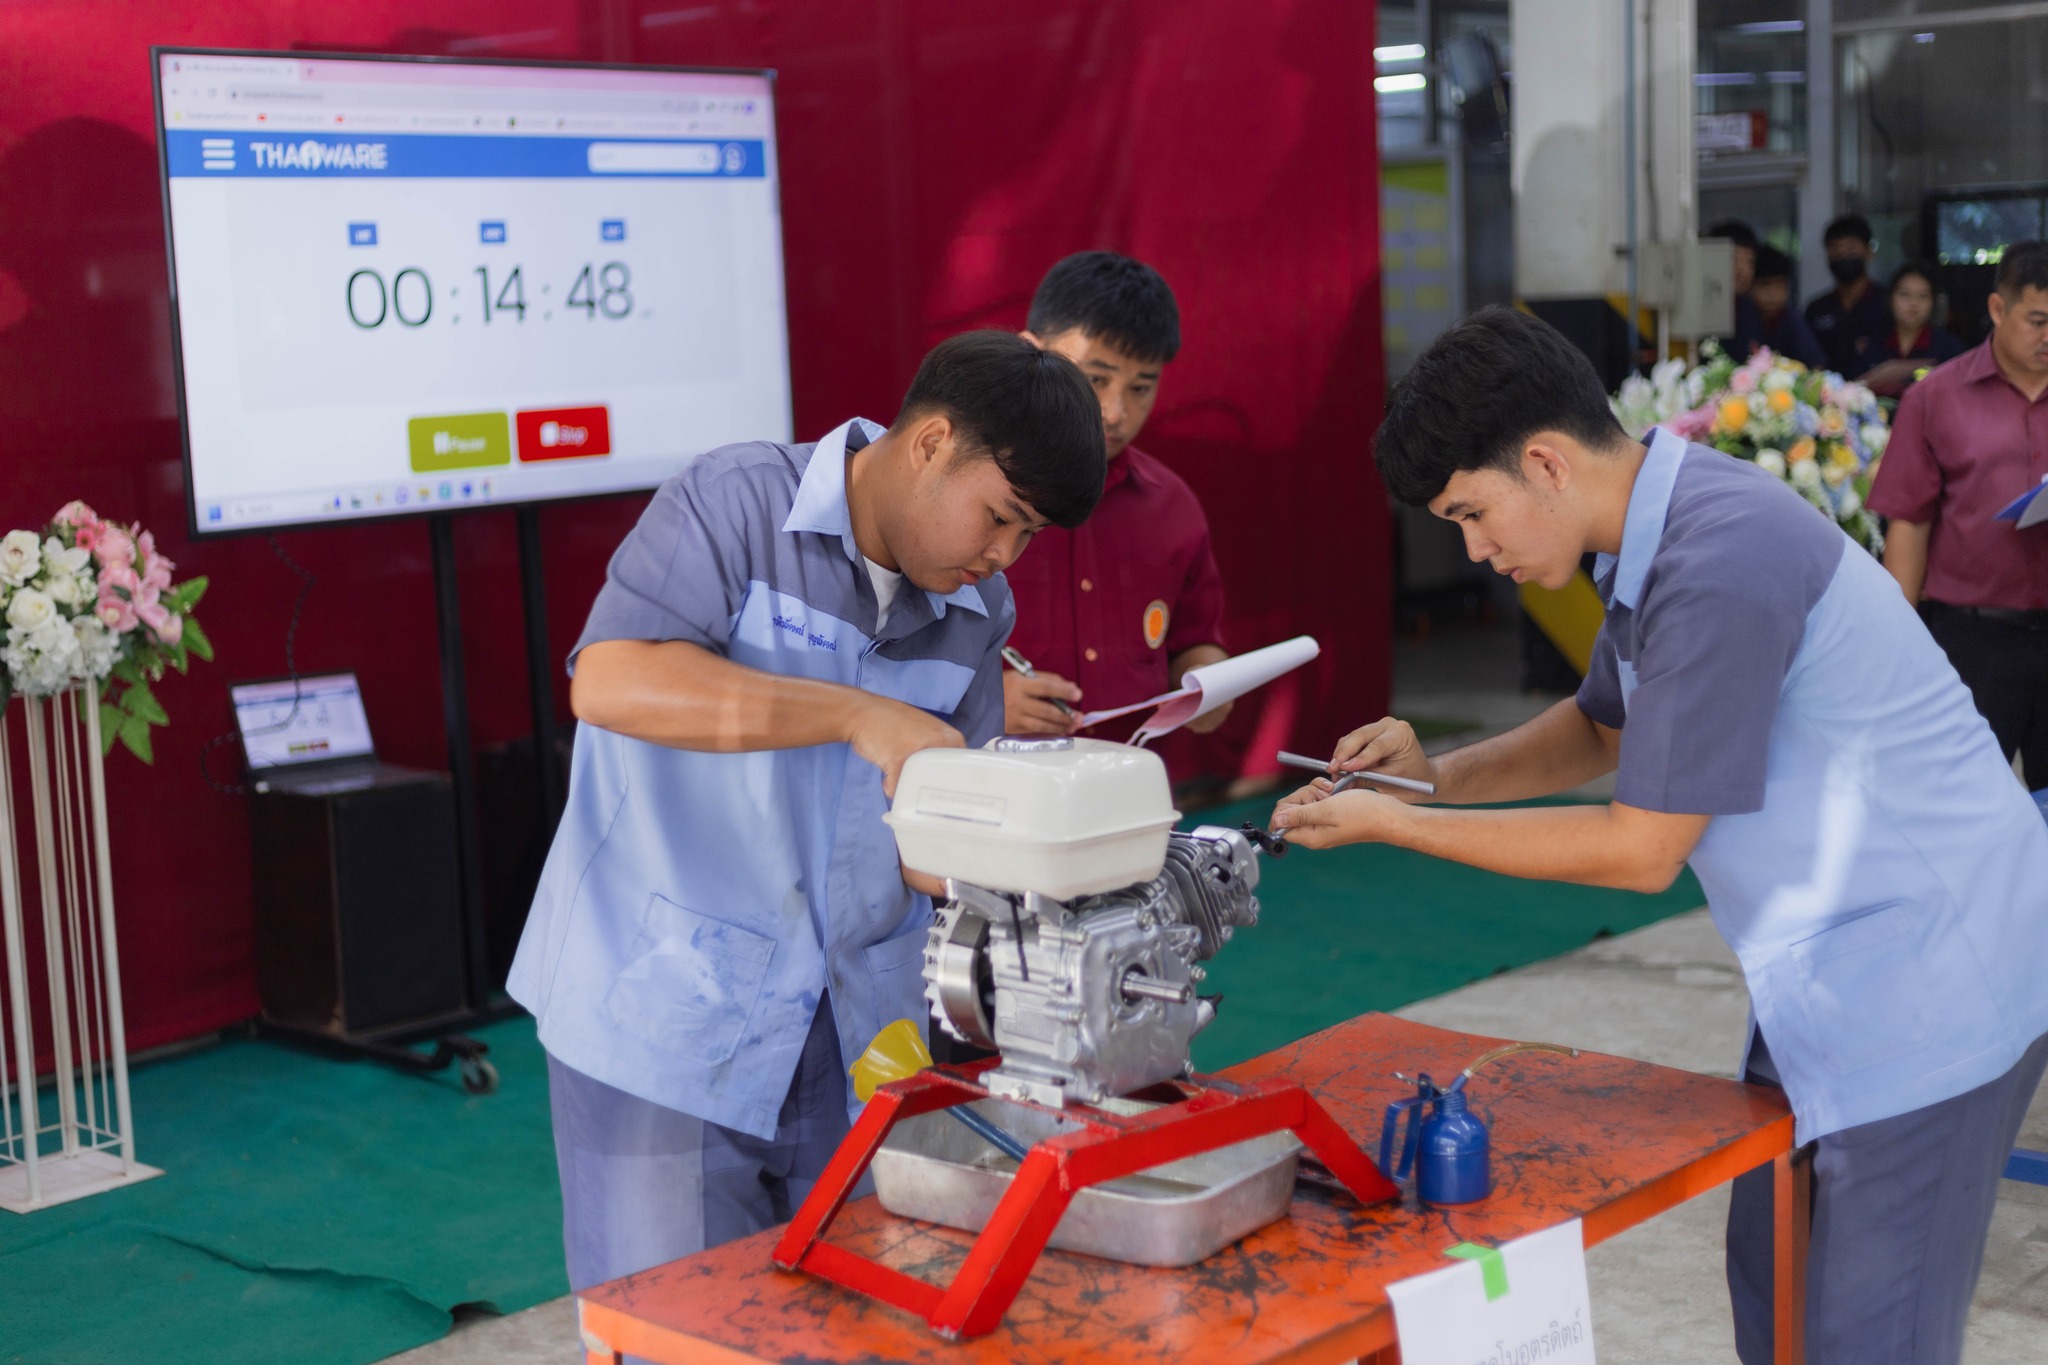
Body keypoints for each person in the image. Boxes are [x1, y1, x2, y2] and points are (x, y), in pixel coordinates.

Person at [1273, 305, 2048, 1365]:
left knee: (1869, 1336)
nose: (1474, 549)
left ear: (1542, 461)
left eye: (1470, 513)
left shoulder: (1715, 558)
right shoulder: (1650, 524)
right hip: (1827, 971)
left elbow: (1641, 850)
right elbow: (1600, 724)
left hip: (1928, 983)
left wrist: (1396, 833)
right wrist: (1430, 779)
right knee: (1770, 1294)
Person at [507, 331, 1104, 1295]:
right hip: (667, 1013)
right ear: (929, 443)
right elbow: (612, 680)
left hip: (856, 1028)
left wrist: (1053, 862)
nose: (1004, 556)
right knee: (679, 1329)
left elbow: (934, 844)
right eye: (999, 516)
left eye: (1028, 536)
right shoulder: (736, 504)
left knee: (851, 1317)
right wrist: (857, 713)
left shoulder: (976, 610)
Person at [998, 251, 1232, 739]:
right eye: (1096, 379)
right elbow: (890, 653)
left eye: (1141, 387)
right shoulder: (975, 487)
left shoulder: (1173, 507)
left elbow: (1195, 642)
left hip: (1130, 787)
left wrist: (1212, 683)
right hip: (994, 786)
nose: (1114, 411)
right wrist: (981, 698)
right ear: (1029, 353)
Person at [1867, 241, 2048, 780]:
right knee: (1960, 797)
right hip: (1974, 641)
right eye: (2037, 321)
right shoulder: (1938, 398)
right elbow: (1910, 522)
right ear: (1998, 309)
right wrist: (1898, 640)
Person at [1855, 261, 1966, 397]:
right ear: (1891, 299)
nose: (1913, 304)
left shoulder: (1948, 346)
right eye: (1904, 295)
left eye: (1923, 296)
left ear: (1932, 302)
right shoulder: (1872, 344)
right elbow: (1852, 391)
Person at [1803, 213, 1892, 377]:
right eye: (1835, 249)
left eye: (1851, 248)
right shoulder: (1816, 309)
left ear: (1869, 252)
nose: (1843, 254)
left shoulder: (1888, 303)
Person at [1749, 245, 1828, 369]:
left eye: (1780, 286)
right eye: (1765, 286)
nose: (1773, 295)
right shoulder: (1742, 317)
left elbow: (1816, 365)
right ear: (1749, 285)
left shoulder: (1790, 318)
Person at [1704, 218, 1766, 362]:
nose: (1742, 271)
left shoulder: (1749, 309)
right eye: (1733, 260)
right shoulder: (1699, 308)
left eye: (1749, 262)